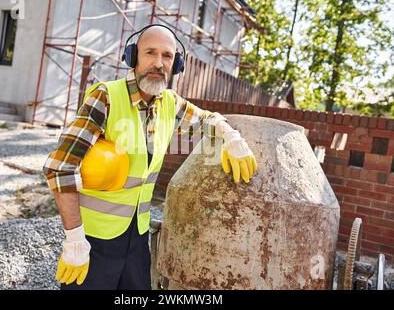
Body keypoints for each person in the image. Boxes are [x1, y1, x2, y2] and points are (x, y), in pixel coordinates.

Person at [42, 24, 258, 290]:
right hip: (93, 240)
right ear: (133, 57)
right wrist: (74, 239)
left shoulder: (170, 103)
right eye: (150, 53)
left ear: (176, 64)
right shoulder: (106, 97)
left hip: (137, 240)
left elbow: (206, 120)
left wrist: (231, 137)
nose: (158, 63)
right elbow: (60, 167)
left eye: (167, 56)